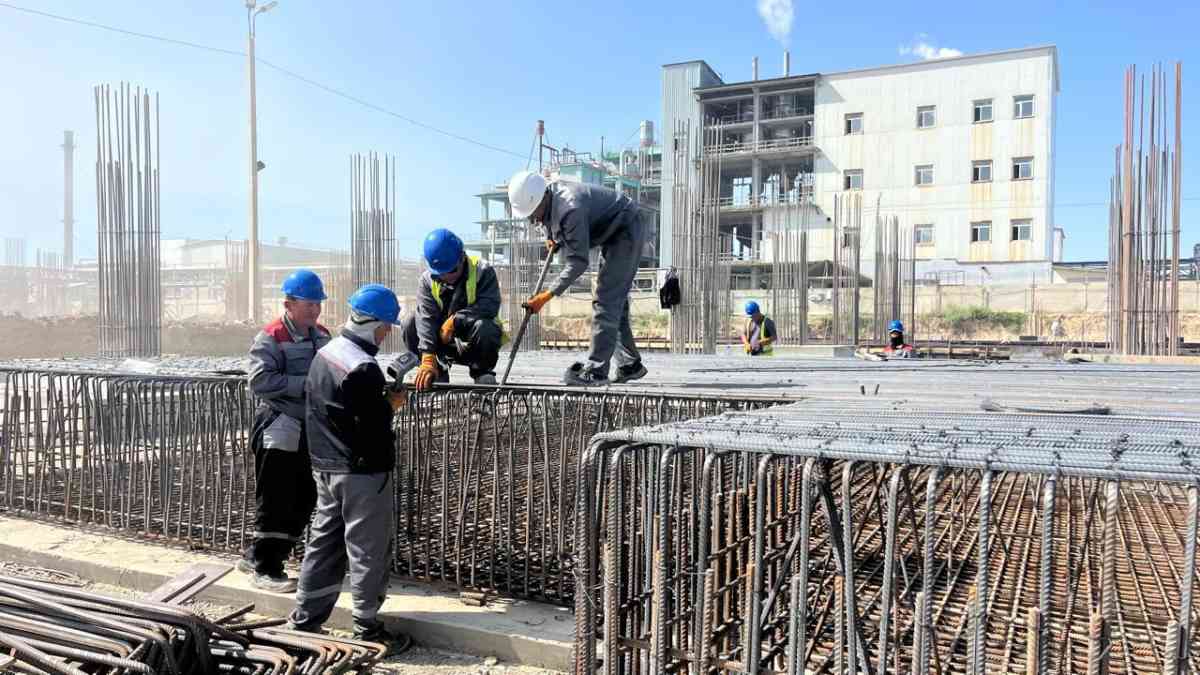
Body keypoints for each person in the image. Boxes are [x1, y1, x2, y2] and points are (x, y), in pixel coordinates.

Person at [289, 283, 412, 653]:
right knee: (368, 550)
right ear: (373, 324)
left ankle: (306, 620)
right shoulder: (362, 367)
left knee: (323, 545)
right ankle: (368, 629)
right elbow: (373, 424)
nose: (386, 333)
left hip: (325, 468)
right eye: (385, 327)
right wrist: (392, 402)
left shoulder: (325, 354)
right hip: (362, 472)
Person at [507, 170, 647, 386]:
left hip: (626, 228)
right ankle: (630, 364)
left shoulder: (570, 208)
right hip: (612, 230)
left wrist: (547, 295)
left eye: (533, 212)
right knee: (613, 302)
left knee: (606, 301)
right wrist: (553, 237)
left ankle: (597, 370)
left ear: (541, 197)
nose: (533, 219)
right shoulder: (550, 198)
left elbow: (578, 262)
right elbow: (551, 221)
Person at [239, 269, 331, 593]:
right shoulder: (271, 336)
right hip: (279, 424)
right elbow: (259, 380)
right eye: (309, 304)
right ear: (289, 304)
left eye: (318, 304)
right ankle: (266, 569)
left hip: (309, 427)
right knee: (277, 498)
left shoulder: (322, 335)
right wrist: (306, 385)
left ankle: (257, 555)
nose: (316, 310)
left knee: (305, 497)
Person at [405, 228, 503, 389]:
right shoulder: (427, 280)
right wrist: (428, 355)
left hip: (473, 345)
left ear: (462, 257)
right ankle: (436, 370)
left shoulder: (482, 271)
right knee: (410, 322)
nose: (446, 277)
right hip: (441, 344)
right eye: (441, 273)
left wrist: (456, 321)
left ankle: (482, 373)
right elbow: (425, 318)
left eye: (451, 271)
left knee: (486, 327)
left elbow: (489, 306)